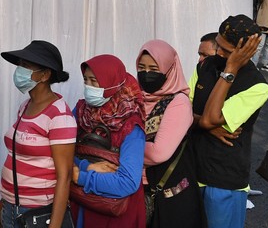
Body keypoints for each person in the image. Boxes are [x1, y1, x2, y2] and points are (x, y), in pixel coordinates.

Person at [196, 15, 268, 228]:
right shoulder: (206, 66)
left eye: (226, 51)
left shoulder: (258, 87)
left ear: (248, 51)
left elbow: (210, 118)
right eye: (218, 46)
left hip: (224, 181)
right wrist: (207, 127)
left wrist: (230, 70)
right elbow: (183, 110)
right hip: (192, 171)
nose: (218, 53)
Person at [1, 40, 76, 228]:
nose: (19, 70)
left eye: (26, 66)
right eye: (19, 65)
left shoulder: (59, 115)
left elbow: (64, 176)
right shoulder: (25, 107)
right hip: (10, 207)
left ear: (44, 75)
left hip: (36, 213)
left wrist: (55, 225)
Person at [71, 54, 146, 227]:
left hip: (114, 213)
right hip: (82, 203)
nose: (88, 87)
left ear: (112, 82)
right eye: (86, 80)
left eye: (94, 81)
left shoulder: (130, 124)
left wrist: (80, 177)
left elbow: (127, 182)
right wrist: (86, 167)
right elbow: (62, 152)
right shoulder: (81, 111)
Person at [136, 40, 204, 228]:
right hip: (135, 186)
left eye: (154, 68)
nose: (147, 74)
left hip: (168, 194)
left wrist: (121, 148)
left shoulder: (178, 103)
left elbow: (159, 152)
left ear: (169, 69)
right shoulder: (134, 97)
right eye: (141, 67)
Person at [188, 33, 218, 101]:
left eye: (205, 55)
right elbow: (189, 98)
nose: (200, 59)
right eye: (200, 54)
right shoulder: (200, 68)